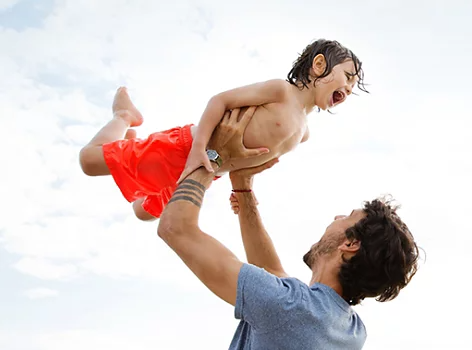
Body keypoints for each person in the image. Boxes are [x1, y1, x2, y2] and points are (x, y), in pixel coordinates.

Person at [157, 108, 420, 349]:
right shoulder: (350, 330)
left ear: (350, 244)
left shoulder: (290, 308)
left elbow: (175, 228)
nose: (337, 216)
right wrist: (242, 186)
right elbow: (273, 276)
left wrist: (213, 155)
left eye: (347, 217)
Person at [78, 39, 367, 221]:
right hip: (187, 148)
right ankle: (124, 116)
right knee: (89, 162)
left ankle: (132, 144)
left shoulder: (304, 134)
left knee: (144, 213)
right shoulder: (282, 91)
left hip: (210, 172)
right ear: (319, 65)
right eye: (348, 77)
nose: (350, 88)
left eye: (353, 86)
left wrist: (240, 189)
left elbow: (250, 160)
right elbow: (220, 100)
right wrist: (196, 148)